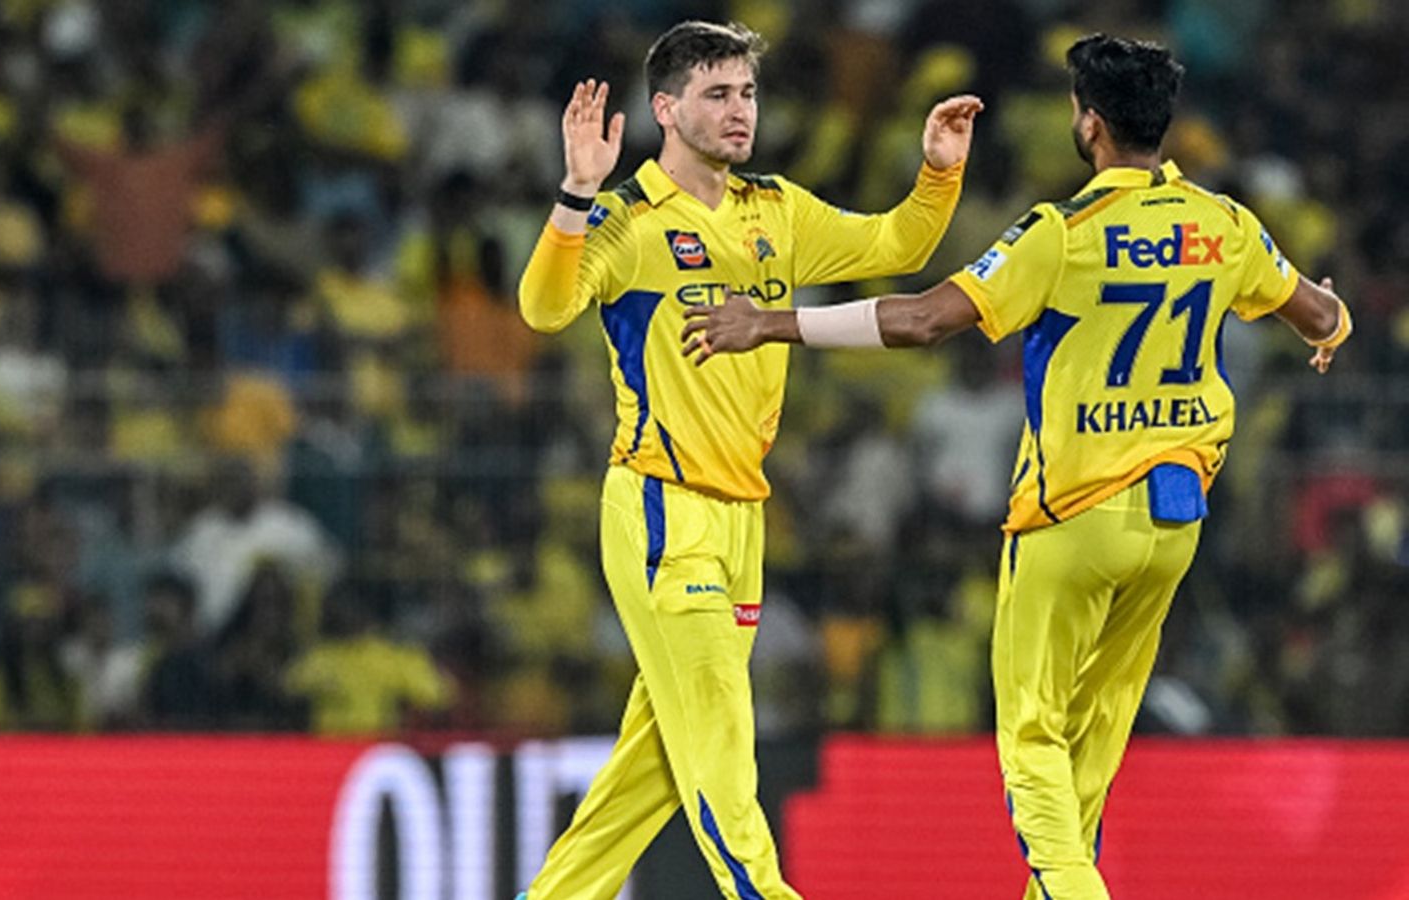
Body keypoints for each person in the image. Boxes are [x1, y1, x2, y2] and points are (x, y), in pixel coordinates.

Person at [680, 33, 1351, 900]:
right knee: (1097, 733)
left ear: (1090, 124)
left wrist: (772, 325)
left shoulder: (1061, 234)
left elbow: (923, 320)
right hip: (1174, 522)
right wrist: (1332, 332)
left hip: (1071, 518)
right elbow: (1317, 310)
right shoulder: (1223, 225)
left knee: (1032, 734)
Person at [515, 19, 981, 900]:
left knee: (656, 758)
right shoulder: (630, 221)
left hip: (741, 519)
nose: (741, 112)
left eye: (749, 94)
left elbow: (896, 248)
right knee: (724, 726)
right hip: (662, 509)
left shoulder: (776, 209)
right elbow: (544, 308)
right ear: (665, 109)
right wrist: (576, 193)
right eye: (718, 94)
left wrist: (939, 171)